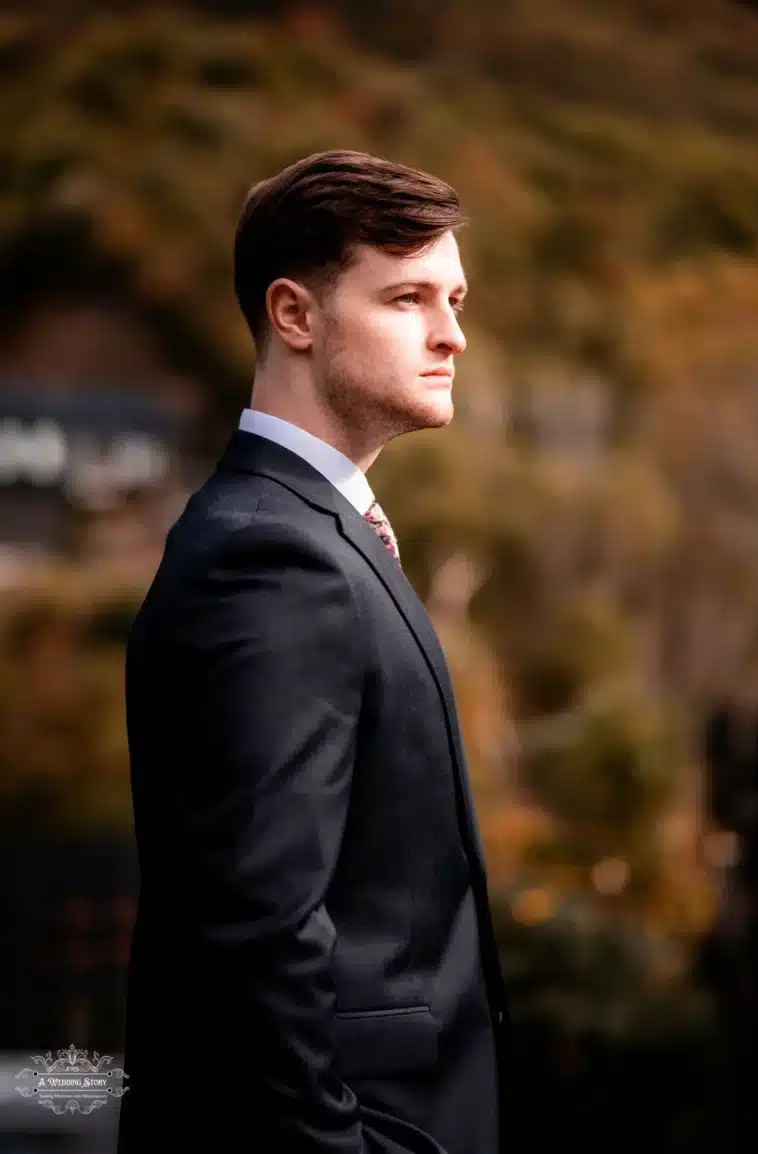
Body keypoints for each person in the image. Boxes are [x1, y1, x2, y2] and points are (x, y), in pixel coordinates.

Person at [117, 149, 515, 1153]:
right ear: (295, 315)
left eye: (455, 297)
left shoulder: (315, 534)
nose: (453, 333)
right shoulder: (268, 556)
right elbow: (255, 944)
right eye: (408, 297)